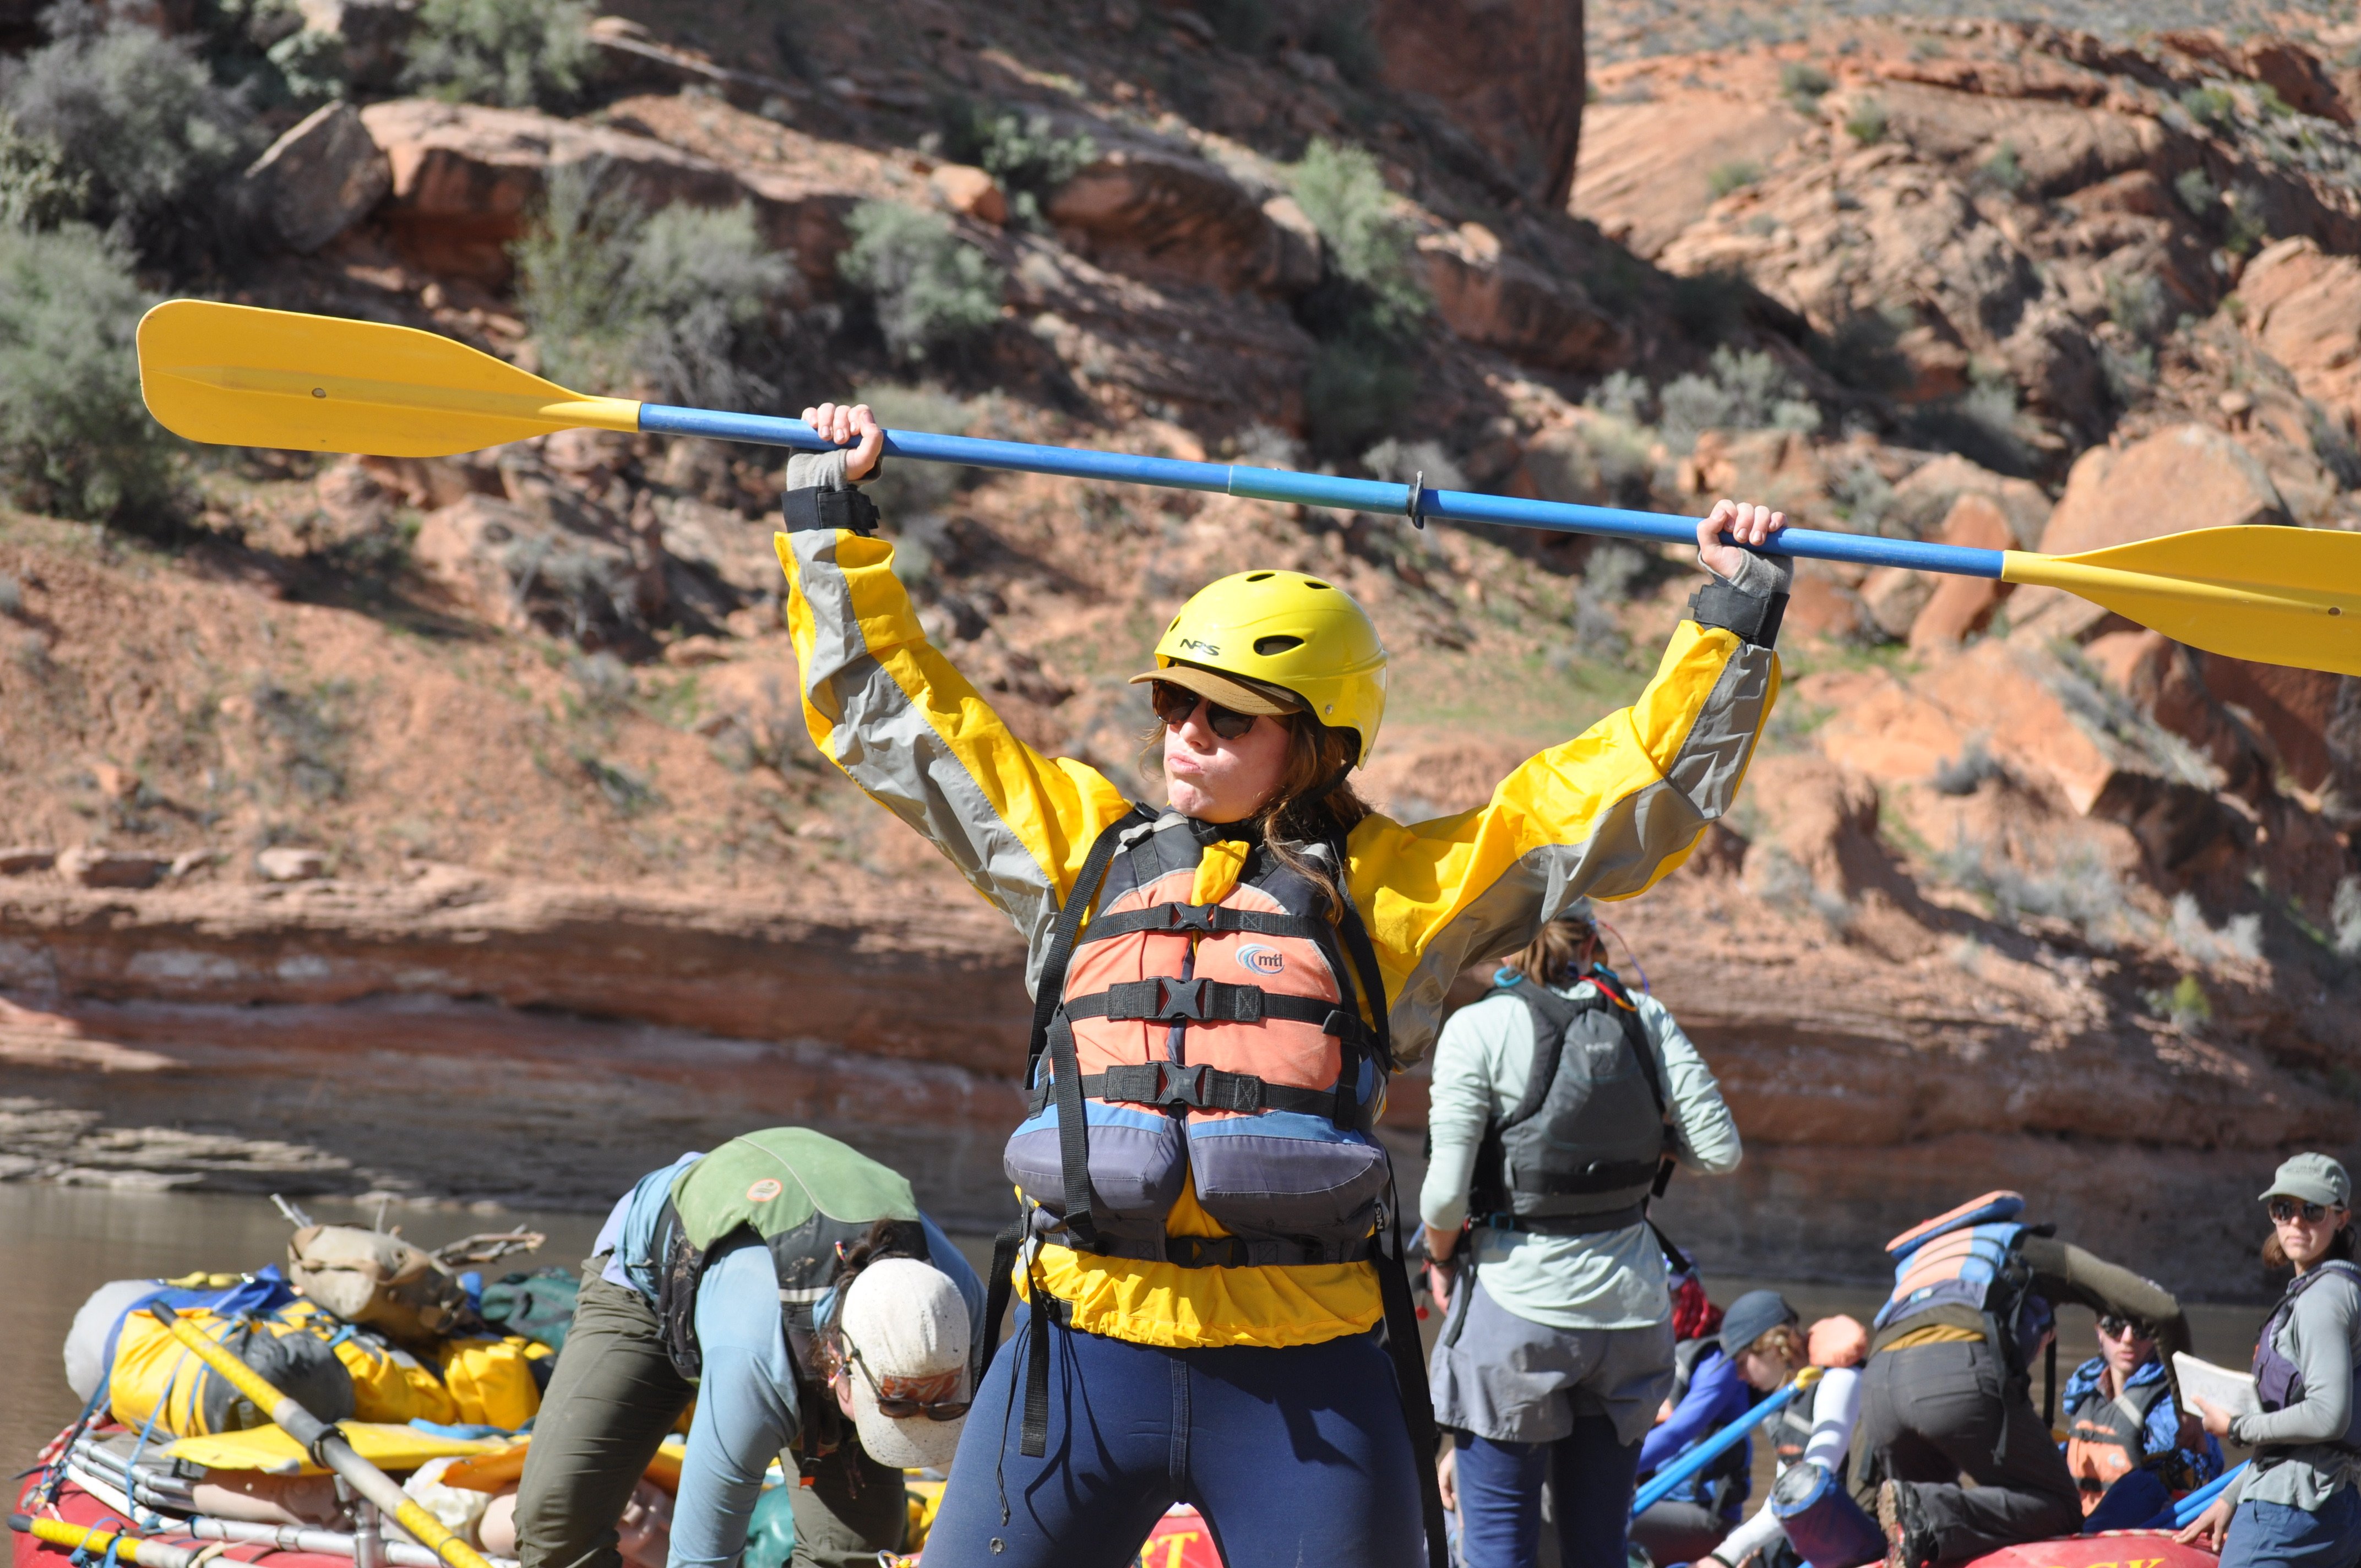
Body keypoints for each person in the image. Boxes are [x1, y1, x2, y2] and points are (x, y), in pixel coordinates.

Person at [773, 400, 1795, 1568]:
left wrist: (1729, 608)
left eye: (1227, 714)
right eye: (1172, 701)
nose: (1186, 733)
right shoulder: (1079, 849)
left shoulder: (1395, 894)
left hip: (1304, 1382)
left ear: (1315, 739)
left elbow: (1613, 800)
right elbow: (898, 717)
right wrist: (829, 512)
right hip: (1073, 1353)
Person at [1421, 900, 1744, 1568]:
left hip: (1516, 1316)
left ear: (1504, 946)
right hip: (1631, 1317)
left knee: (1496, 1552)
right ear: (1594, 944)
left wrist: (1440, 1259)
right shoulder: (1643, 1018)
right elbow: (1720, 1150)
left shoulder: (1476, 1028)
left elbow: (1446, 1195)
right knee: (1597, 1551)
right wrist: (1637, 1154)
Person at [514, 1128, 986, 1568]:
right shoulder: (755, 1362)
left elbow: (994, 1483)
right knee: (557, 1522)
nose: (917, 1418)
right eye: (895, 1409)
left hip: (822, 1317)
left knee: (851, 1554)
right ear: (838, 1370)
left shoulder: (957, 1312)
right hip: (653, 1277)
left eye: (941, 1407)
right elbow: (703, 1556)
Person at [1857, 1189, 2190, 1568]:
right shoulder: (2023, 1246)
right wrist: (2188, 1413)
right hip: (1954, 1376)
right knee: (2058, 1507)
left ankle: (1922, 1514)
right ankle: (1926, 1511)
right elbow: (2163, 1311)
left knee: (1924, 1539)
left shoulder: (1919, 1271)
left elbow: (1866, 1464)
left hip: (1877, 1391)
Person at [2177, 1154, 2361, 1568]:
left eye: (2312, 1210)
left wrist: (2236, 1428)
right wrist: (2232, 1494)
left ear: (2341, 1218)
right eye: (2284, 1209)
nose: (2296, 1223)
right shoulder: (2336, 1291)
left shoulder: (2322, 1300)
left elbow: (2328, 1417)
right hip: (2336, 1510)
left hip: (2289, 1517)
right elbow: (2301, 1441)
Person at [1699, 1300, 1870, 1568]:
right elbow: (1782, 1497)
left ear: (1771, 1347)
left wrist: (1725, 1555)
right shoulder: (1785, 1403)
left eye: (1742, 1362)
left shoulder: (1840, 1382)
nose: (1740, 1376)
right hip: (1818, 1540)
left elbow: (1808, 1492)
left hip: (1860, 1542)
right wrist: (1744, 1546)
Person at [2059, 1305, 2221, 1531]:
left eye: (2141, 1330)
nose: (2128, 1340)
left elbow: (2195, 1473)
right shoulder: (2084, 1389)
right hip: (2077, 1531)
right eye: (2114, 1327)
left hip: (2137, 1536)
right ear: (2098, 1330)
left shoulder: (2170, 1404)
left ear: (2156, 1337)